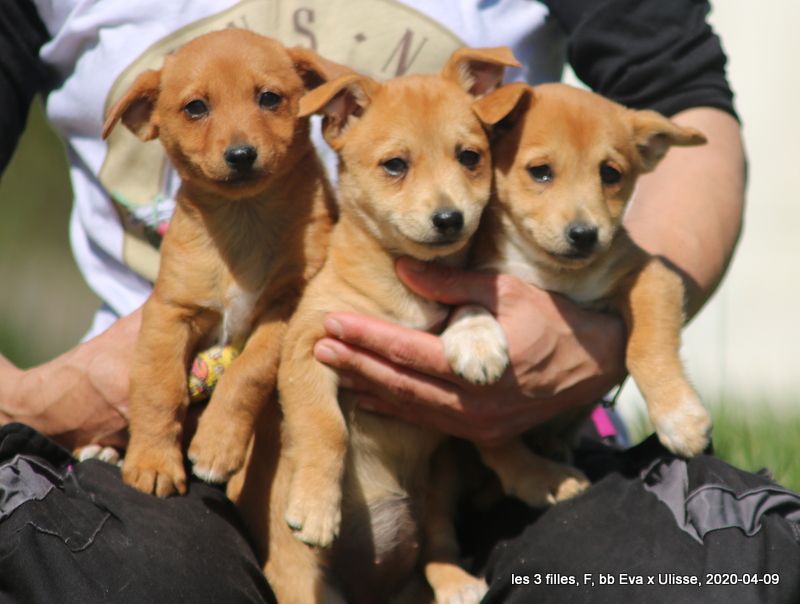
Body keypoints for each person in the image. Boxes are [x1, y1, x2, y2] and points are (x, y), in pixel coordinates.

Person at [3, 1, 797, 603]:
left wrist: (598, 337)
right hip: (166, 464)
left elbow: (684, 94)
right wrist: (33, 397)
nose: (445, 201)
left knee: (703, 570)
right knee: (128, 579)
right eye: (198, 111)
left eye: (468, 157)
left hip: (521, 439)